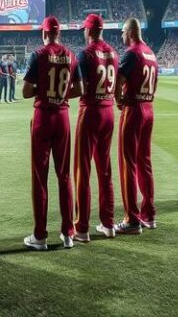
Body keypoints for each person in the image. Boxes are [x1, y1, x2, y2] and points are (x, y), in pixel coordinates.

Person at [22, 16, 83, 251]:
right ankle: (68, 233)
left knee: (40, 178)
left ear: (44, 33)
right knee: (64, 176)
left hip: (43, 117)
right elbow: (80, 89)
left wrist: (43, 89)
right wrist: (62, 94)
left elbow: (26, 91)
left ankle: (40, 236)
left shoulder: (38, 55)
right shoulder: (71, 55)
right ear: (59, 33)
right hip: (63, 117)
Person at [72, 14, 117, 242]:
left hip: (90, 111)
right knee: (105, 170)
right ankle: (108, 224)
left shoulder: (85, 53)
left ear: (88, 30)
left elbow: (80, 88)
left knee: (82, 170)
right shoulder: (114, 53)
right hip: (109, 111)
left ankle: (82, 228)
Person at [114, 17, 159, 234]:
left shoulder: (131, 53)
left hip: (133, 110)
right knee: (145, 163)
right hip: (148, 108)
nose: (121, 36)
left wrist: (118, 100)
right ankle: (148, 214)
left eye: (123, 32)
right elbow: (155, 84)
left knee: (128, 164)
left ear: (130, 32)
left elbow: (118, 82)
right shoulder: (151, 53)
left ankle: (131, 219)